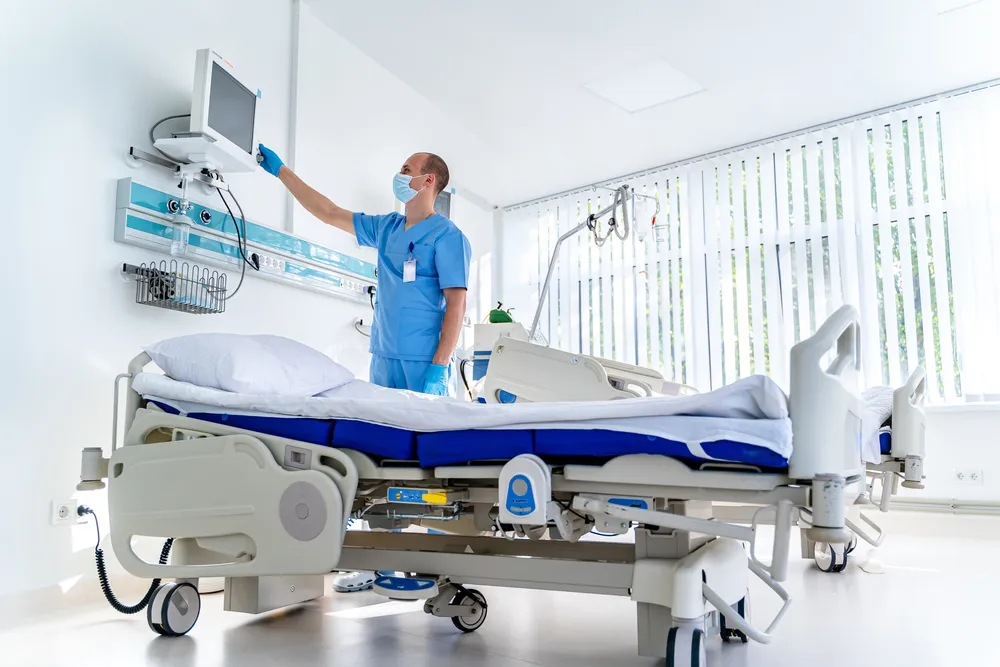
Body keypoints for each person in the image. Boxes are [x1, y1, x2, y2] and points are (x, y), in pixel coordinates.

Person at [258, 144, 471, 591]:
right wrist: (281, 172)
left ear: (428, 180)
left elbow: (456, 307)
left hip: (423, 365)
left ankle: (437, 561)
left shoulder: (448, 238)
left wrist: (439, 368)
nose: (400, 174)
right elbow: (328, 212)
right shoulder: (388, 228)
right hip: (384, 360)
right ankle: (375, 562)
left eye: (407, 169)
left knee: (430, 467)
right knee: (379, 465)